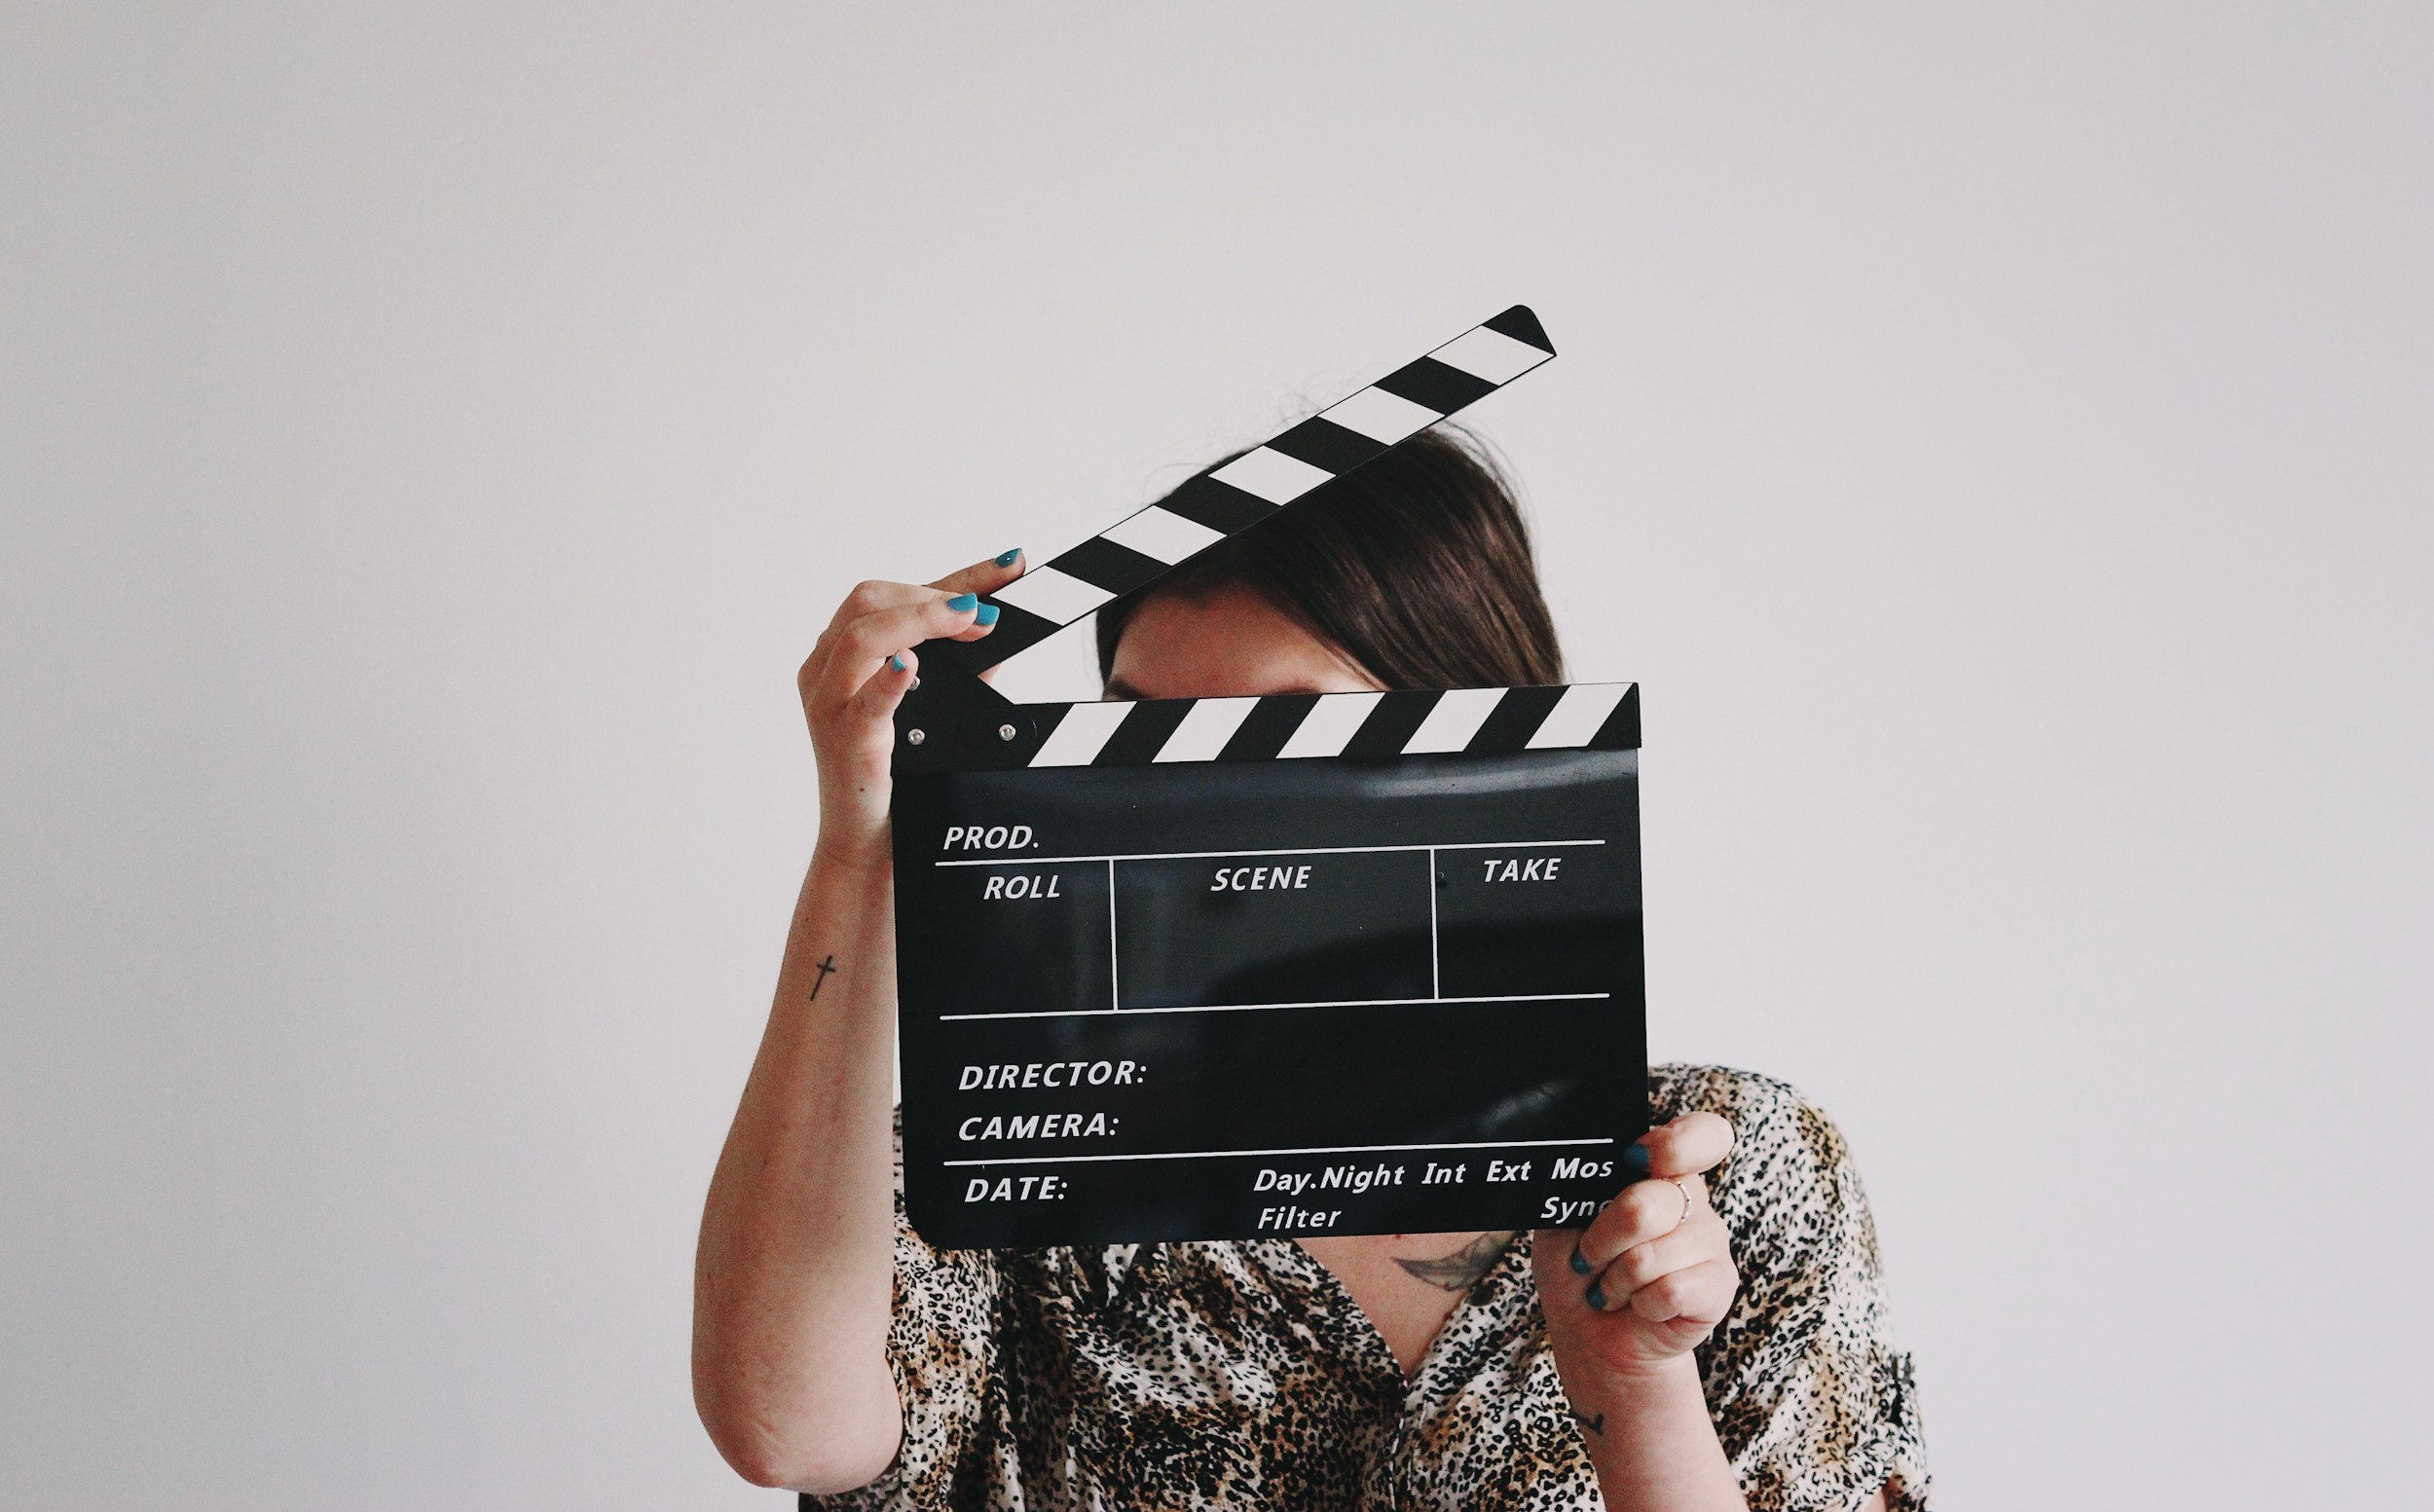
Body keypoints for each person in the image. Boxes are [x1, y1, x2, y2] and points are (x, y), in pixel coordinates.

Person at [694, 426, 1931, 1511]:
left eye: (1283, 733)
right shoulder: (1021, 1150)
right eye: (1139, 734)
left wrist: (1635, 1386)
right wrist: (865, 845)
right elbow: (785, 1425)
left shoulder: (1723, 1167)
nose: (1191, 816)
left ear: (1478, 746)